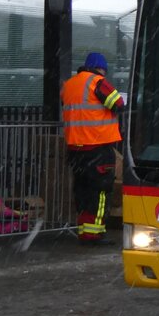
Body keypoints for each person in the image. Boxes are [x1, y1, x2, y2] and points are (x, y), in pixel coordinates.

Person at [61, 52, 125, 245]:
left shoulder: (69, 85)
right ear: (100, 68)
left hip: (76, 149)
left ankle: (84, 232)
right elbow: (118, 103)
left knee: (82, 191)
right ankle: (94, 234)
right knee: (100, 192)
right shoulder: (97, 82)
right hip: (97, 148)